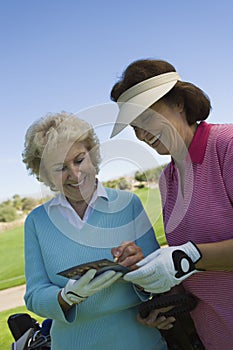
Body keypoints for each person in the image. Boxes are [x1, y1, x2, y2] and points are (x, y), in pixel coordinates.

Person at [110, 58, 233, 350]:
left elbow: (191, 255)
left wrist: (186, 256)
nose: (142, 134)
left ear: (179, 103)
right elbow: (190, 264)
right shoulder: (169, 179)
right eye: (134, 126)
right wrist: (159, 287)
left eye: (148, 118)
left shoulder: (227, 146)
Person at [22, 111, 170, 350]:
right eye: (60, 168)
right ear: (46, 174)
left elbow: (160, 279)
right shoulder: (37, 221)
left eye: (79, 160)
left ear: (92, 155)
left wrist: (139, 267)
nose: (75, 174)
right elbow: (34, 295)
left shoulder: (128, 204)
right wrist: (66, 297)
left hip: (138, 339)